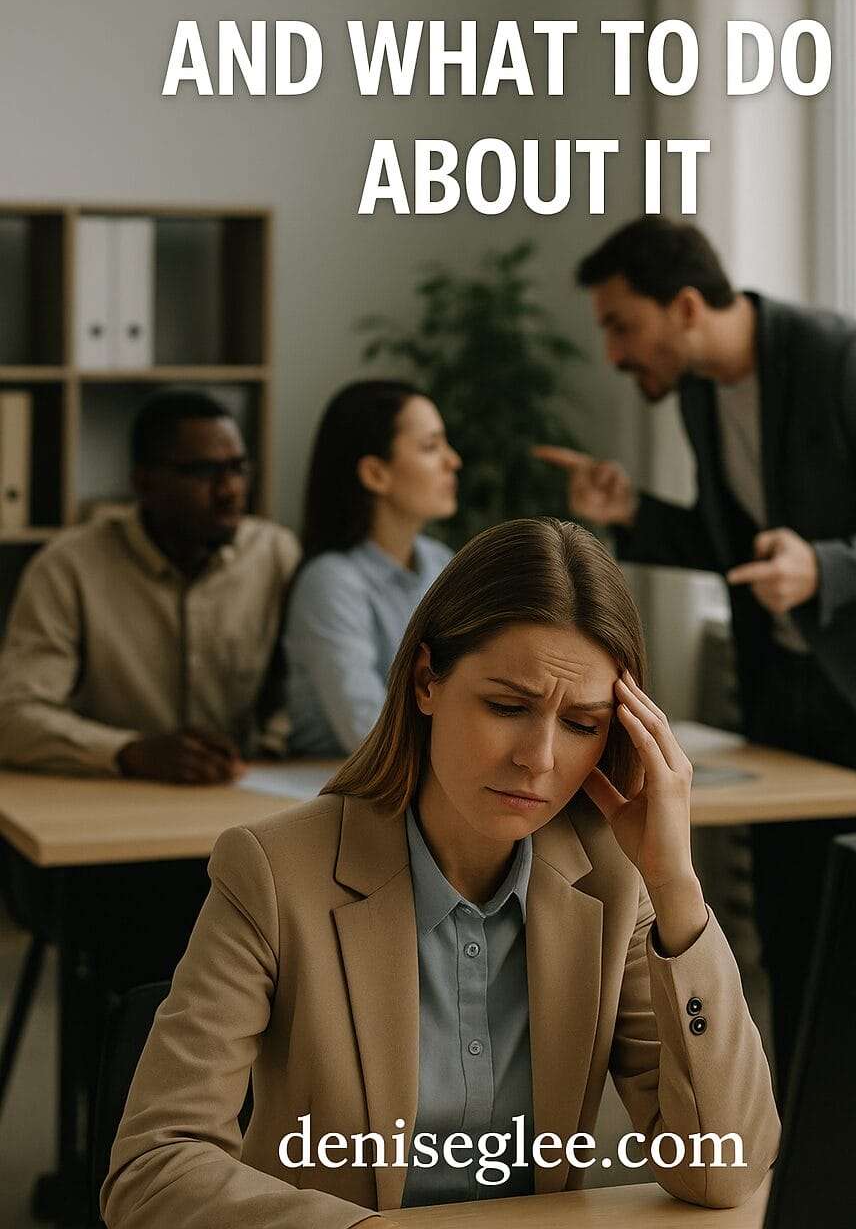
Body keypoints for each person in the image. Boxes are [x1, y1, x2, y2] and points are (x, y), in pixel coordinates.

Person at [102, 518, 779, 1227]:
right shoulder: (273, 873)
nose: (539, 758)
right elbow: (153, 1165)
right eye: (507, 707)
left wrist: (675, 886)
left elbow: (725, 1171)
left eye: (582, 724)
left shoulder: (611, 883)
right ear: (428, 680)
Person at [536, 218, 856, 1101]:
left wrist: (826, 566)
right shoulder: (699, 392)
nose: (612, 352)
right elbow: (742, 550)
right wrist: (633, 515)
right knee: (790, 943)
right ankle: (798, 1161)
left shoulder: (848, 360)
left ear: (685, 307)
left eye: (620, 324)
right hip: (791, 702)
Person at [0, 388, 299, 779]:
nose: (230, 491)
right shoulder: (67, 567)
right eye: (203, 472)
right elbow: (13, 716)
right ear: (144, 483)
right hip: (112, 800)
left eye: (238, 469)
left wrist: (273, 746)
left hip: (243, 795)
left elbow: (298, 694)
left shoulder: (275, 554)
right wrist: (128, 751)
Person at [285, 380, 461, 756]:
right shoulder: (331, 581)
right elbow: (367, 732)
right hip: (332, 787)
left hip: (430, 779)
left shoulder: (442, 562)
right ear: (375, 474)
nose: (452, 461)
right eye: (431, 447)